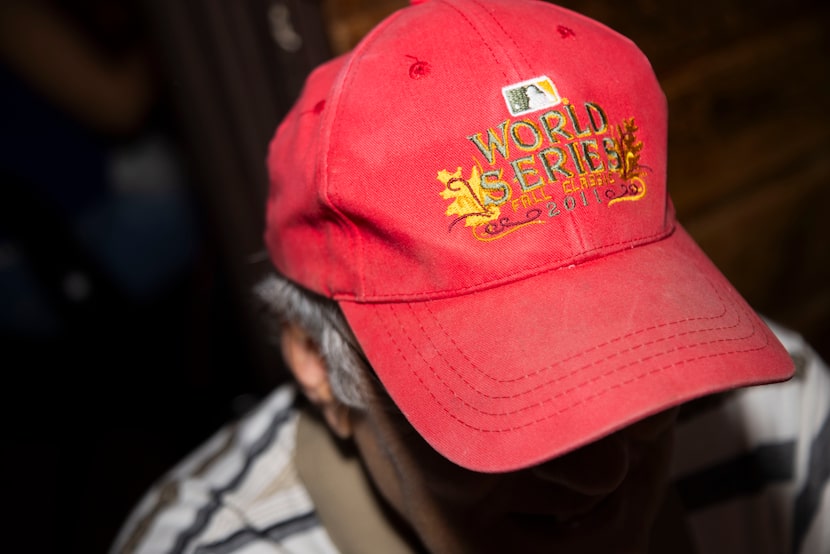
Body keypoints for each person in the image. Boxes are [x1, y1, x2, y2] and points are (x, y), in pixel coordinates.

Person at [111, 0, 829, 552]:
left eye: (636, 358)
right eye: (508, 397)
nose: (603, 474)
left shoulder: (785, 418)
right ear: (316, 363)